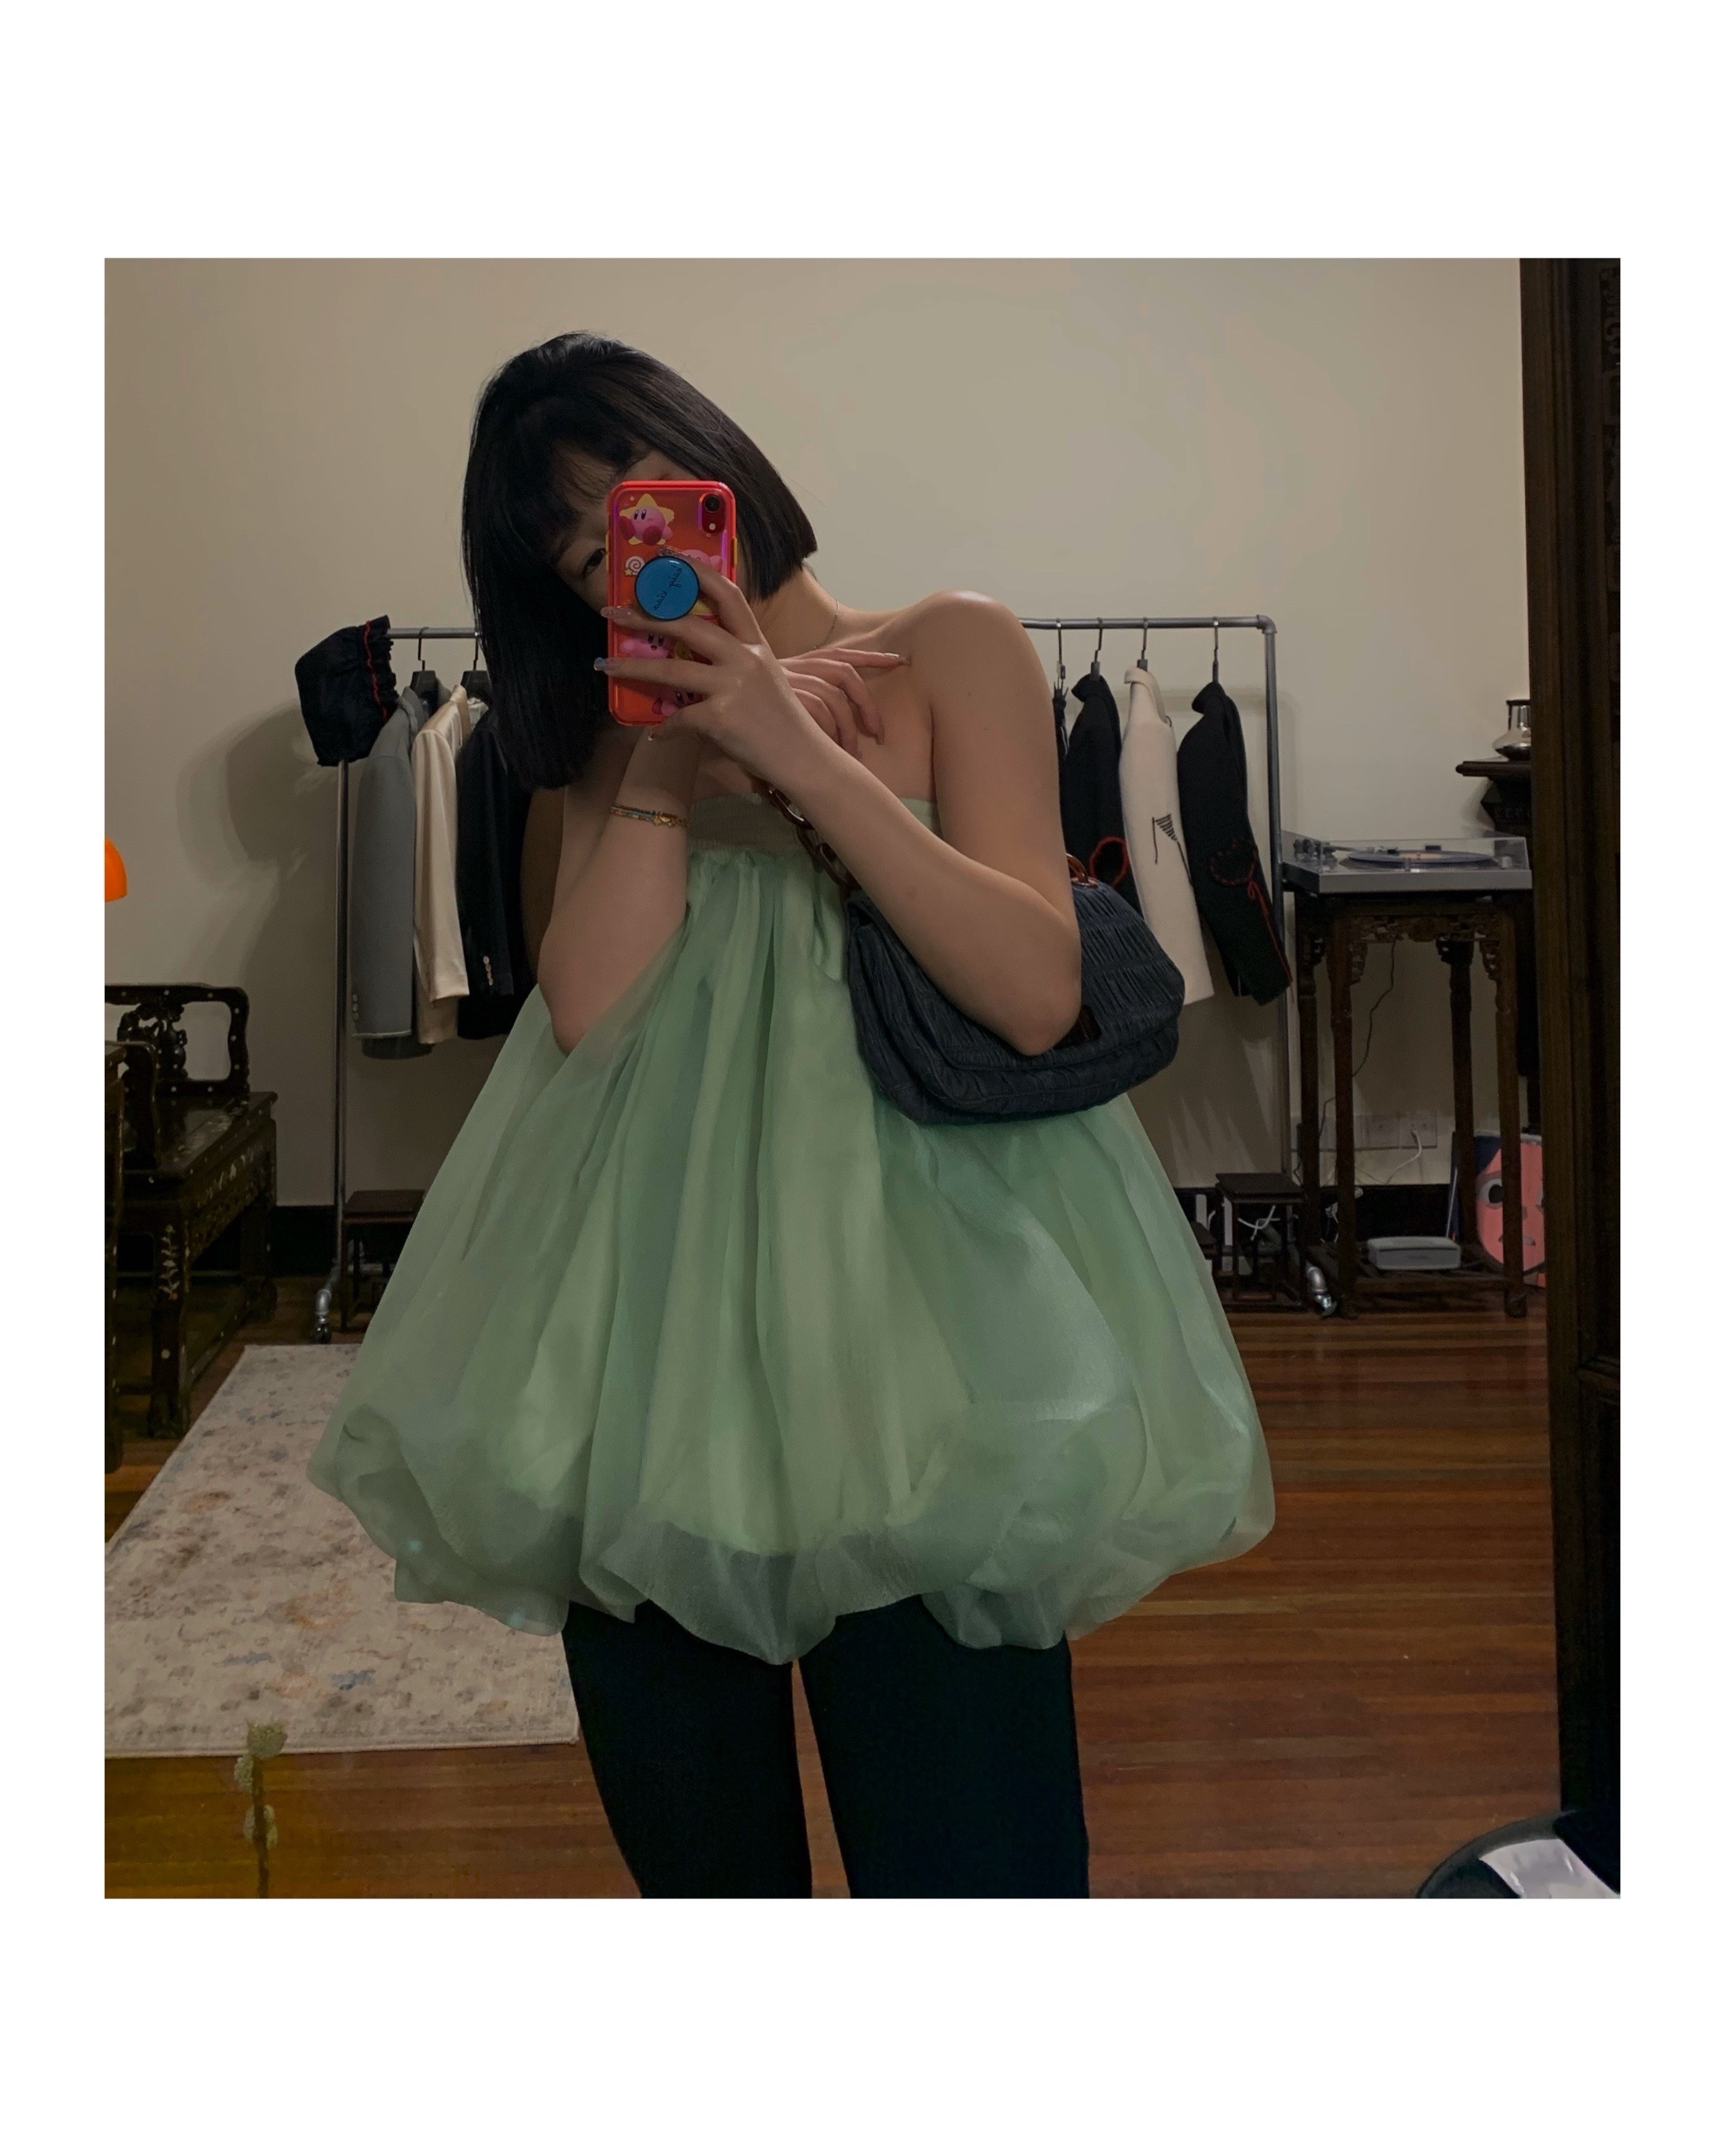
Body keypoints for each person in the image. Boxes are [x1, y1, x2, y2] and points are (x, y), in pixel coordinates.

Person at [309, 332, 1274, 1899]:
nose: (629, 555)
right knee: (703, 1856)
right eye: (582, 553)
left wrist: (796, 754)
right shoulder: (610, 728)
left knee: (977, 1856)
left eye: (638, 498)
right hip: (652, 1341)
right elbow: (588, 1010)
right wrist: (671, 756)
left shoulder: (949, 644)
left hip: (930, 1331)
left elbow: (1033, 991)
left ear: (714, 463)